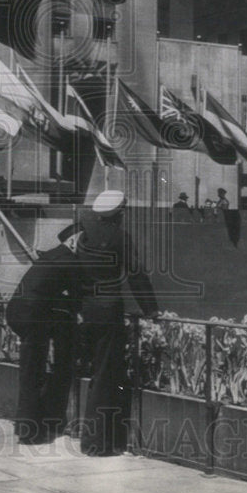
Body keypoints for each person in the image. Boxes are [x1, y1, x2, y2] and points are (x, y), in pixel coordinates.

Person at [76, 190, 159, 456]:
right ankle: (97, 444)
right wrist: (151, 309)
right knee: (106, 375)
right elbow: (136, 274)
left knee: (94, 373)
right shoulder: (119, 237)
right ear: (120, 213)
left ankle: (91, 437)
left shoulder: (84, 237)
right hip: (109, 311)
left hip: (87, 309)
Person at [6, 231, 88, 445]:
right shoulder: (69, 261)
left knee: (30, 371)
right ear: (74, 241)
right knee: (33, 373)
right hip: (33, 316)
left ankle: (26, 425)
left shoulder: (53, 255)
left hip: (19, 311)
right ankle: (30, 432)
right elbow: (79, 295)